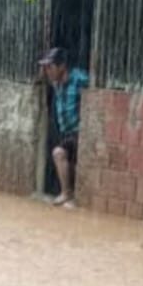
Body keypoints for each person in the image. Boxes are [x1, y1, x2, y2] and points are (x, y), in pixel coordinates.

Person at [39, 47, 88, 209]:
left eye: (50, 67)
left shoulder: (80, 78)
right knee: (69, 162)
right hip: (66, 132)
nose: (47, 71)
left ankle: (67, 193)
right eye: (45, 68)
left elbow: (94, 90)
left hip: (79, 132)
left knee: (58, 153)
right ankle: (72, 195)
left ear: (62, 66)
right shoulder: (55, 82)